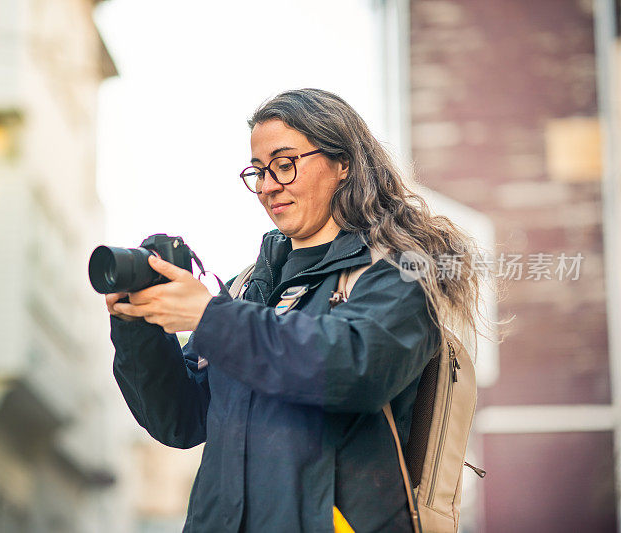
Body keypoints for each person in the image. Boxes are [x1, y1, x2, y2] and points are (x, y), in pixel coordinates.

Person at [105, 88, 485, 532]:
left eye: (285, 166)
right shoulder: (248, 290)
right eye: (259, 172)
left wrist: (211, 316)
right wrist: (139, 327)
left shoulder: (400, 270)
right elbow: (180, 420)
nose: (268, 187)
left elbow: (353, 369)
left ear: (343, 163)